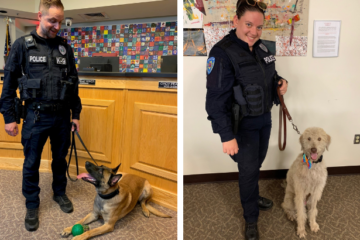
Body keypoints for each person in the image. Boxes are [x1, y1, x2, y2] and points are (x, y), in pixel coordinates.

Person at [205, 0, 288, 239]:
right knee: (249, 170)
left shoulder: (262, 47)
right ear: (236, 21)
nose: (253, 31)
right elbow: (215, 100)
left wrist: (281, 83)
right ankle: (251, 218)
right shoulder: (222, 52)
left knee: (255, 164)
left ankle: (251, 193)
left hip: (264, 119)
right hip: (242, 126)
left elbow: (268, 76)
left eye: (259, 27)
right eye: (248, 25)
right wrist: (226, 136)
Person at [0, 0, 81, 232]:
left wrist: (75, 113)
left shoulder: (66, 48)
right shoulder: (22, 45)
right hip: (35, 116)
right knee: (32, 162)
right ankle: (32, 204)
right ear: (40, 16)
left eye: (60, 21)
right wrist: (9, 117)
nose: (57, 26)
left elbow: (73, 84)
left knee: (59, 159)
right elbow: (8, 86)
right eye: (52, 20)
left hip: (61, 117)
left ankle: (59, 193)